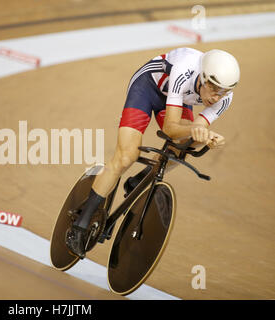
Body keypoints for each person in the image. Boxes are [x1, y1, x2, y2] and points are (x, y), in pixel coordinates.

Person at [66, 47, 240, 258]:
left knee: (186, 145)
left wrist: (205, 137)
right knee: (126, 156)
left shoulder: (224, 99)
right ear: (203, 78)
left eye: (222, 91)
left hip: (177, 101)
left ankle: (137, 180)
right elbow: (170, 128)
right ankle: (80, 225)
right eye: (213, 88)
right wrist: (201, 132)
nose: (215, 97)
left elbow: (192, 131)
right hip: (147, 88)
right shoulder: (184, 70)